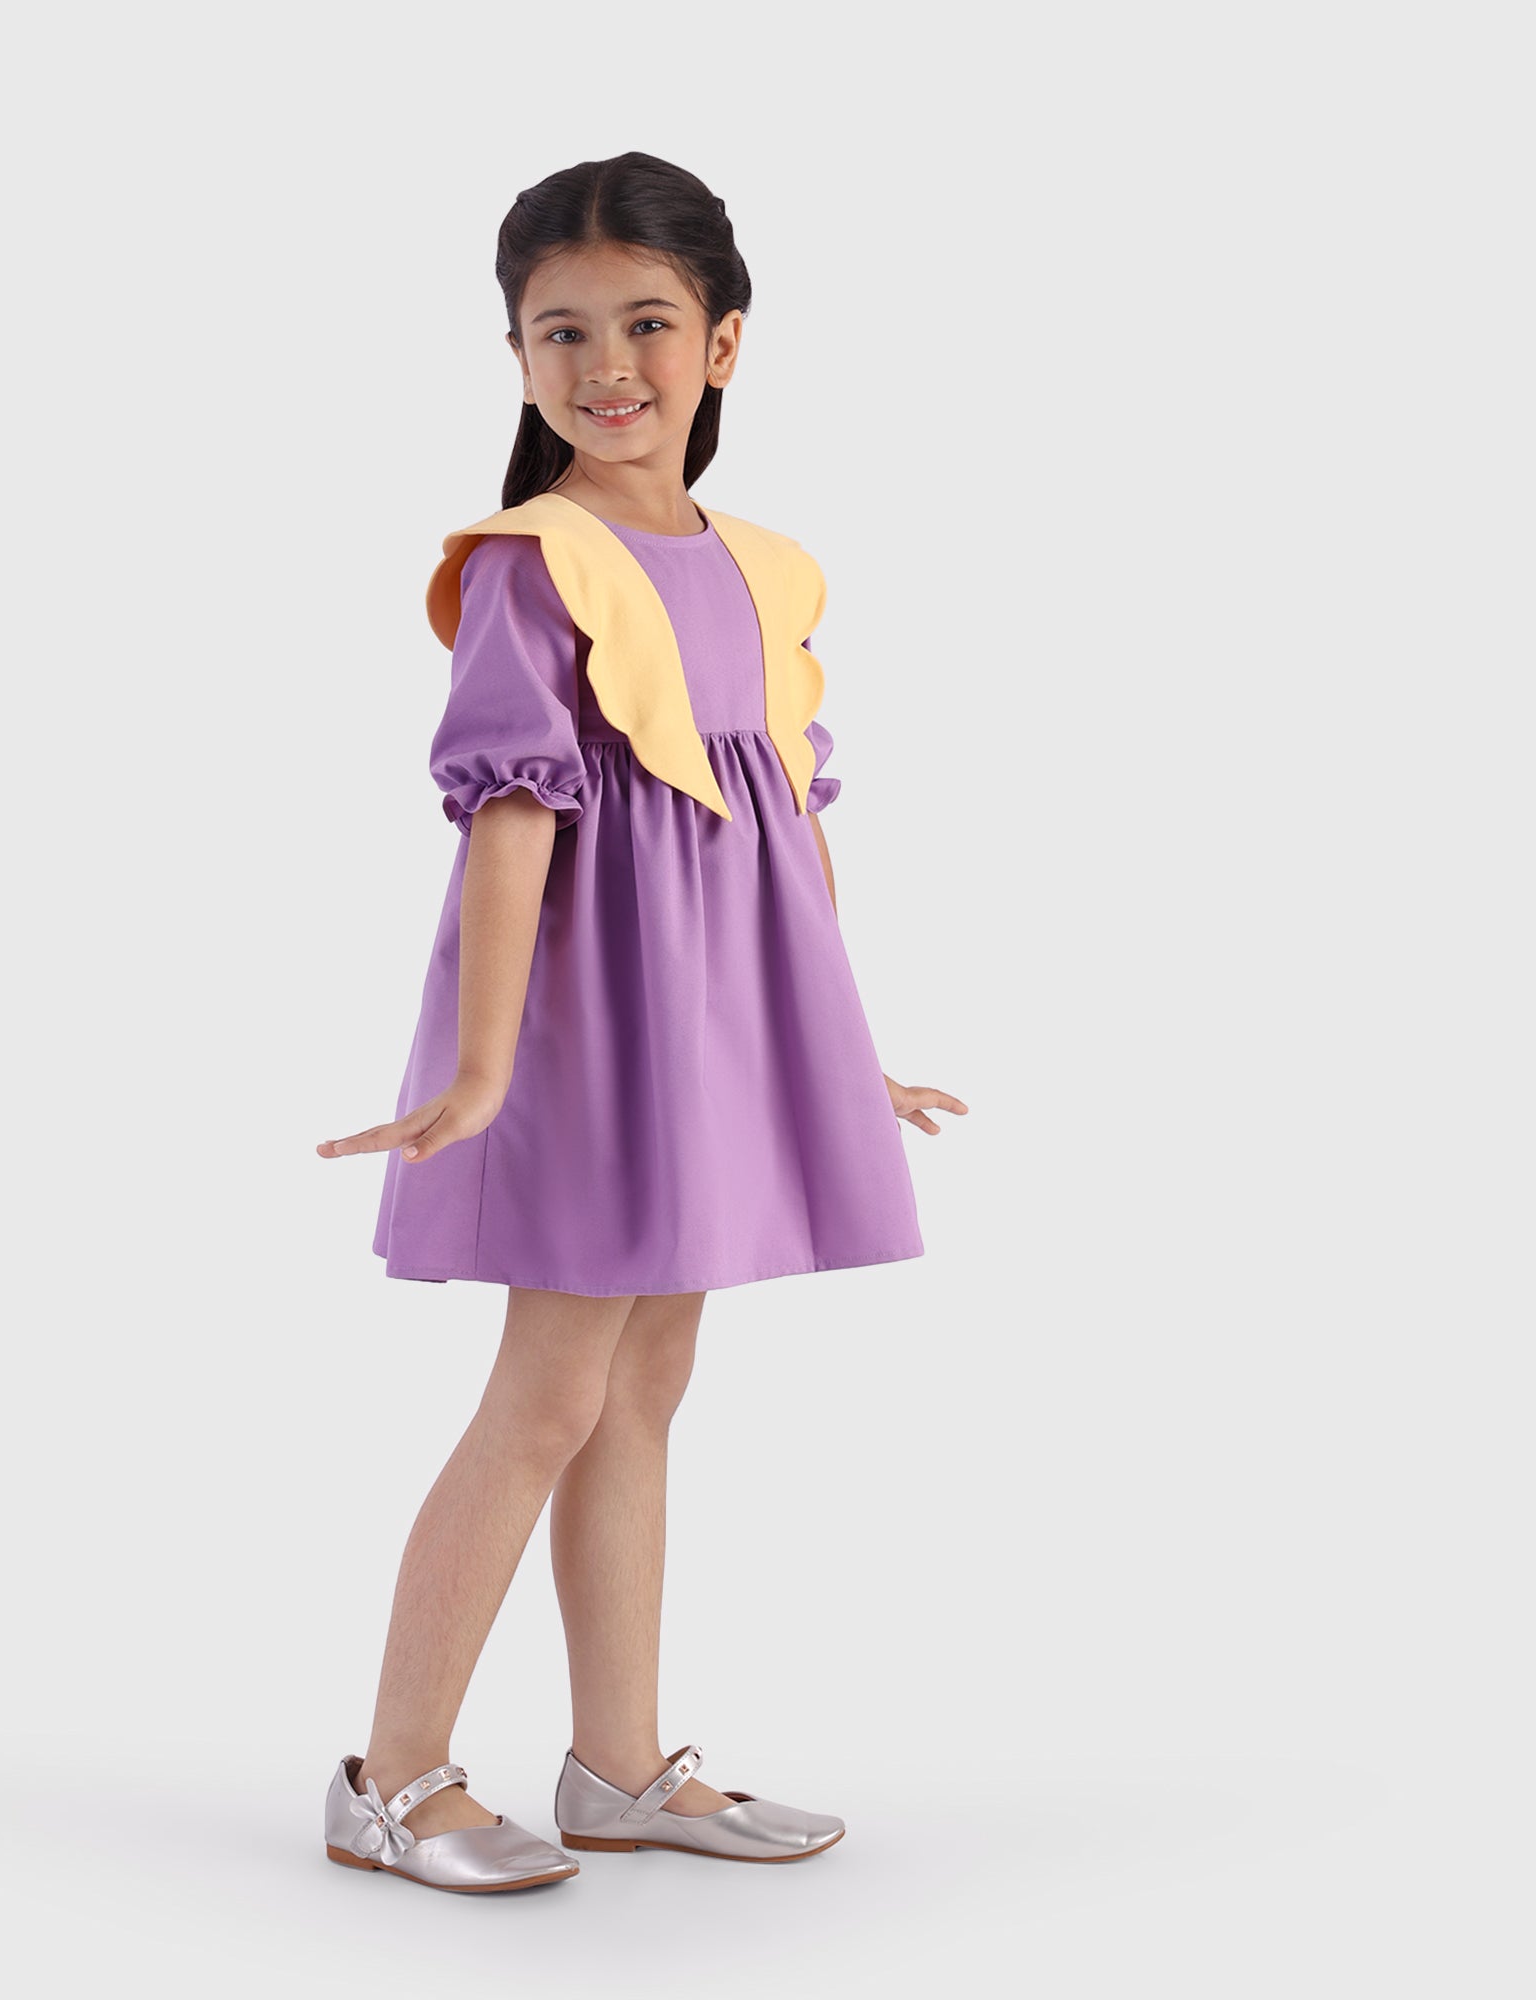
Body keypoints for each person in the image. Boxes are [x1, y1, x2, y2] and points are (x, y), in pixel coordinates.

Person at [315, 150, 967, 1893]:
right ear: (517, 356)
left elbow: (784, 820)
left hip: (720, 1023)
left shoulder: (765, 567)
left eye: (649, 323)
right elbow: (512, 816)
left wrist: (840, 1046)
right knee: (546, 1393)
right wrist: (483, 1065)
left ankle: (616, 1766)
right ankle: (392, 1774)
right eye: (563, 331)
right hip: (592, 1026)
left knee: (647, 1385)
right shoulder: (534, 562)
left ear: (724, 342)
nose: (609, 363)